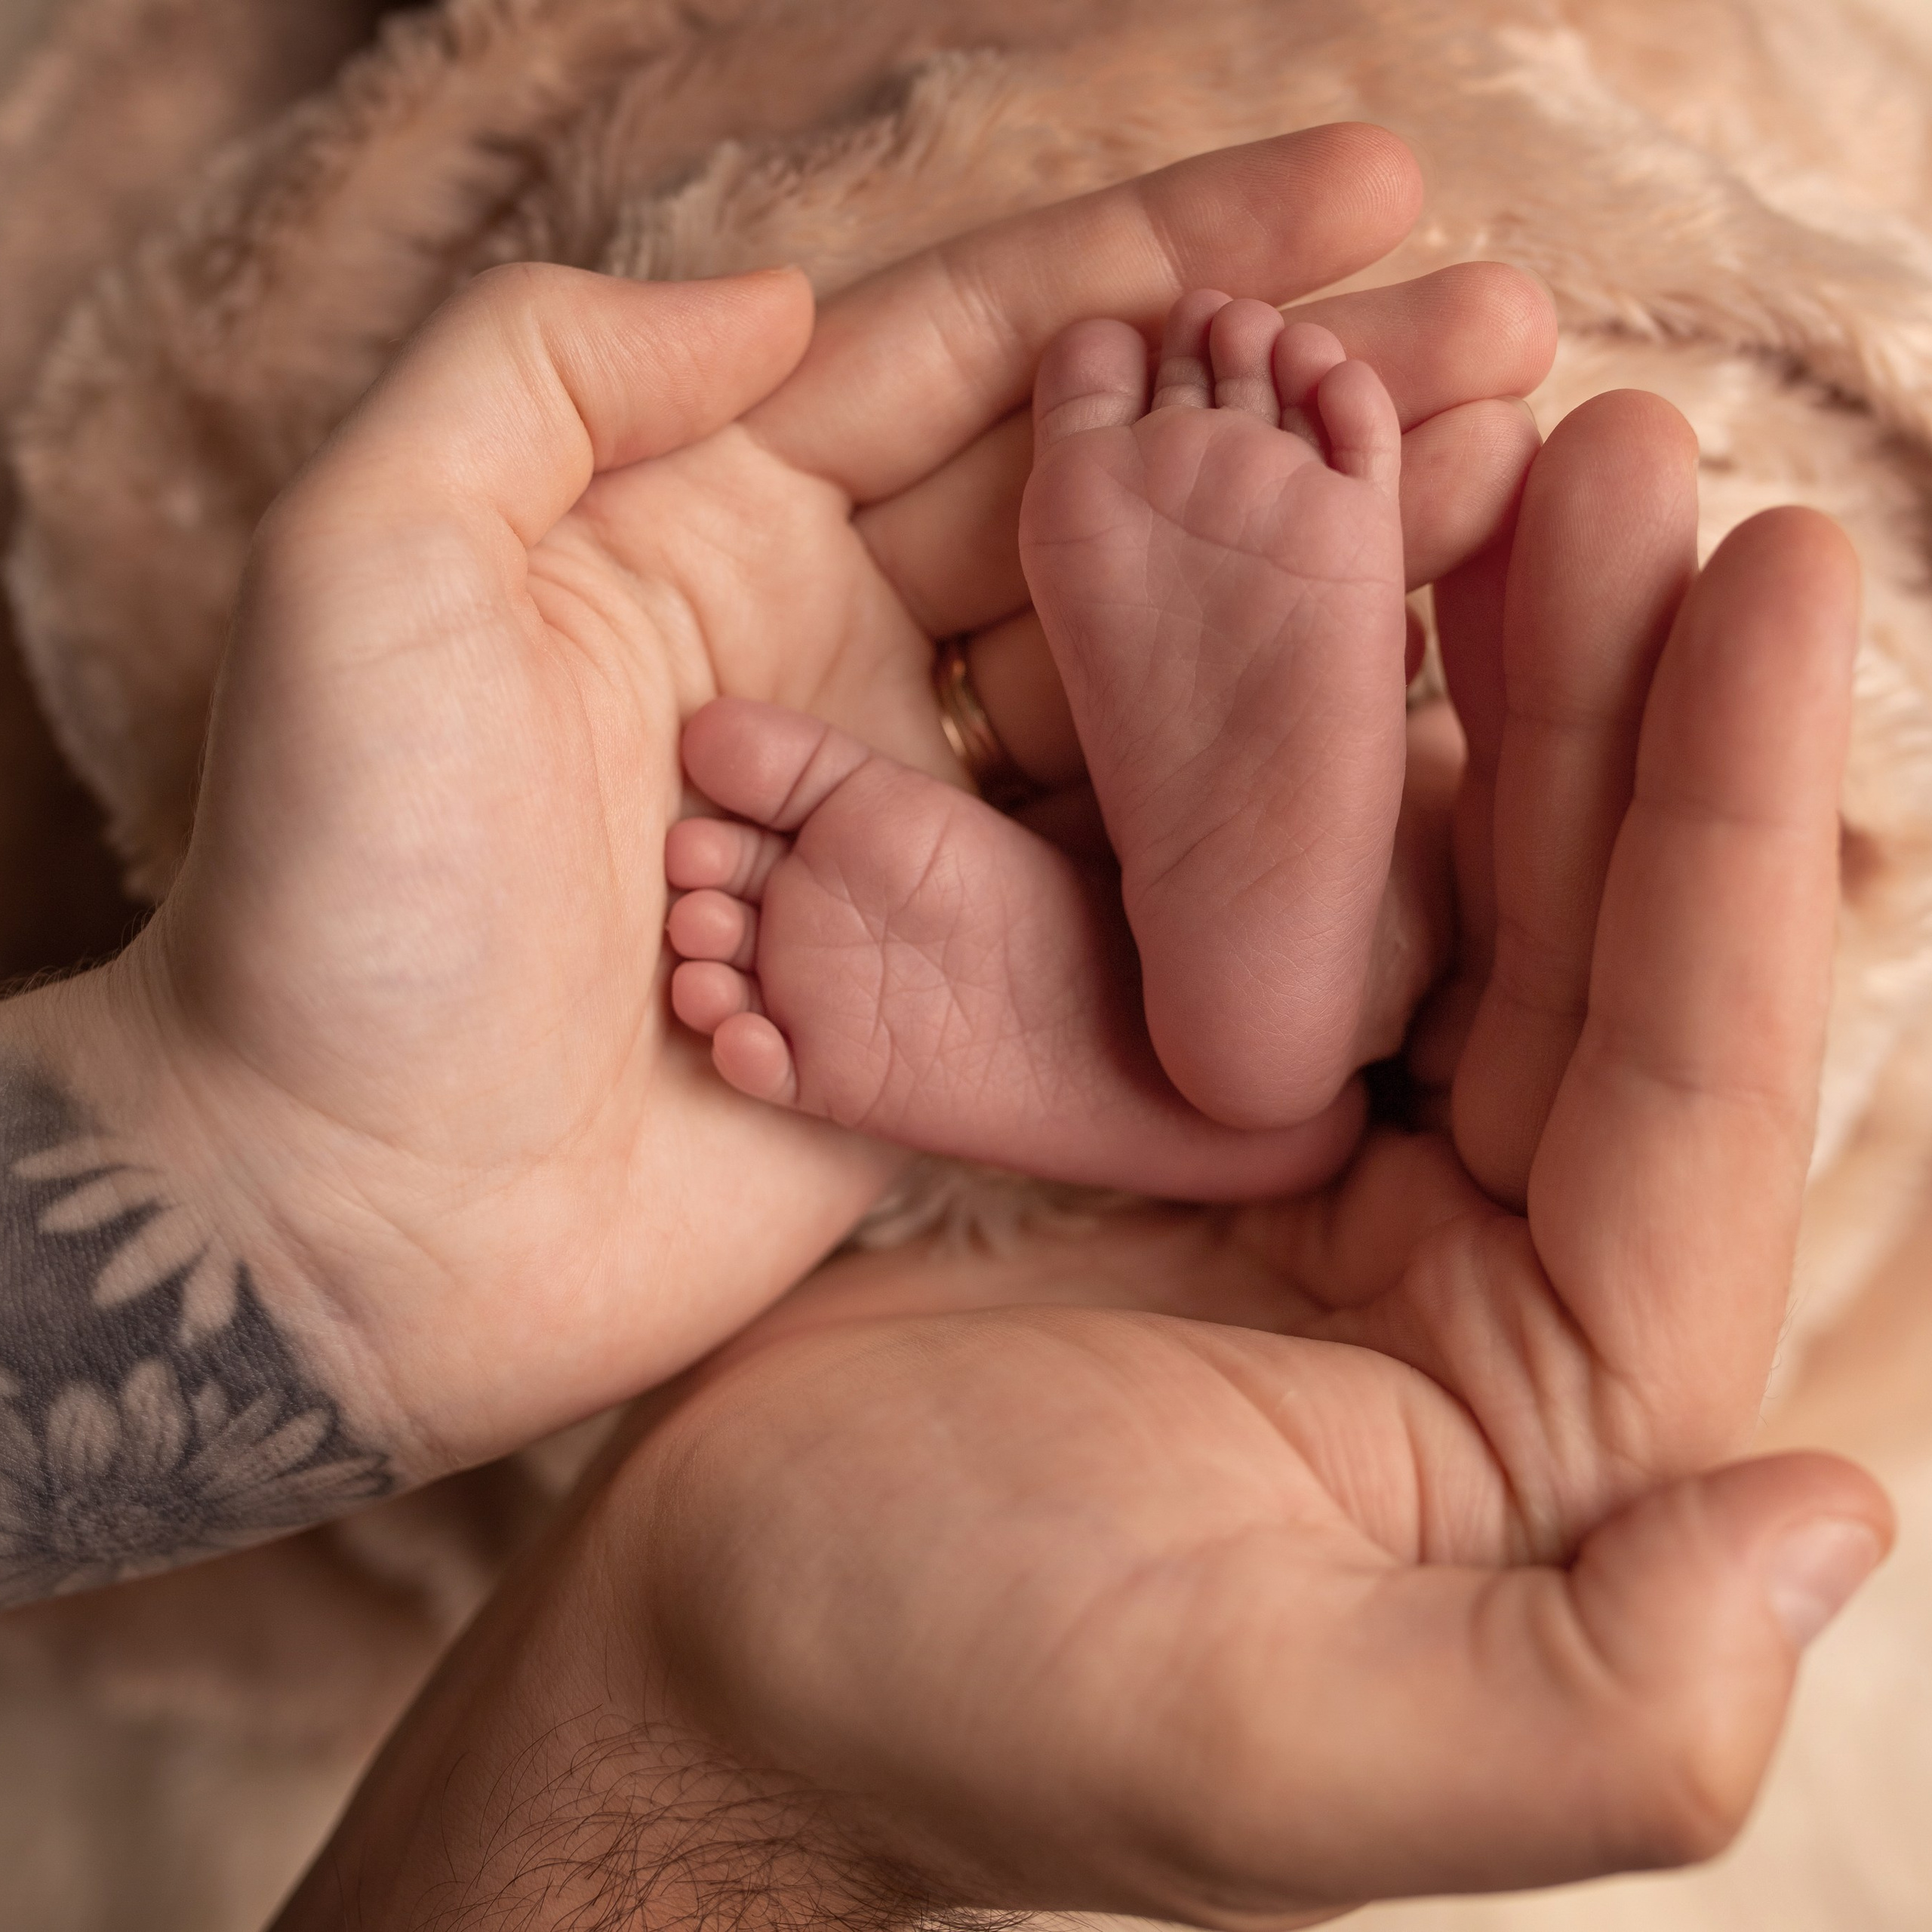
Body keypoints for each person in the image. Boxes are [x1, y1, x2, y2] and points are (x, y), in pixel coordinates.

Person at [269, 381, 1885, 1927]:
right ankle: (1273, 991)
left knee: (1502, 925)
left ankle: (1269, 991)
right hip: (1335, 951)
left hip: (1215, 874)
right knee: (1696, 965)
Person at [0, 125, 1552, 1598]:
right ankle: (1330, 983)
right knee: (1524, 812)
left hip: (757, 1295)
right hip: (1451, 1032)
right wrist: (273, 1168)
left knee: (1491, 816)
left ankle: (1294, 998)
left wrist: (272, 1155)